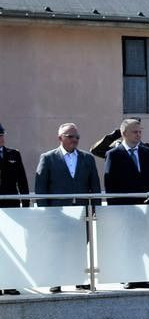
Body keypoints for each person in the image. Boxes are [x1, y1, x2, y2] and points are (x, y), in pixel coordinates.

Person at [34, 122, 100, 292]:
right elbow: (40, 188)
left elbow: (95, 185)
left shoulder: (87, 158)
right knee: (57, 247)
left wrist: (95, 208)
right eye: (70, 136)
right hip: (57, 212)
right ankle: (56, 280)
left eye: (77, 137)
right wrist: (45, 211)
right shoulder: (48, 158)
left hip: (81, 212)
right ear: (60, 138)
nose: (74, 140)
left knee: (78, 247)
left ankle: (79, 279)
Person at [95, 118, 149, 206]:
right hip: (124, 206)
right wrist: (113, 208)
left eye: (140, 132)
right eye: (135, 132)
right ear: (124, 133)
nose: (138, 135)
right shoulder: (113, 155)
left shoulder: (148, 153)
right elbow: (110, 185)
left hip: (148, 206)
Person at [0, 122, 30, 210]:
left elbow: (22, 181)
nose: (1, 138)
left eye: (2, 135)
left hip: (11, 203)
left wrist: (25, 204)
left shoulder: (14, 154)